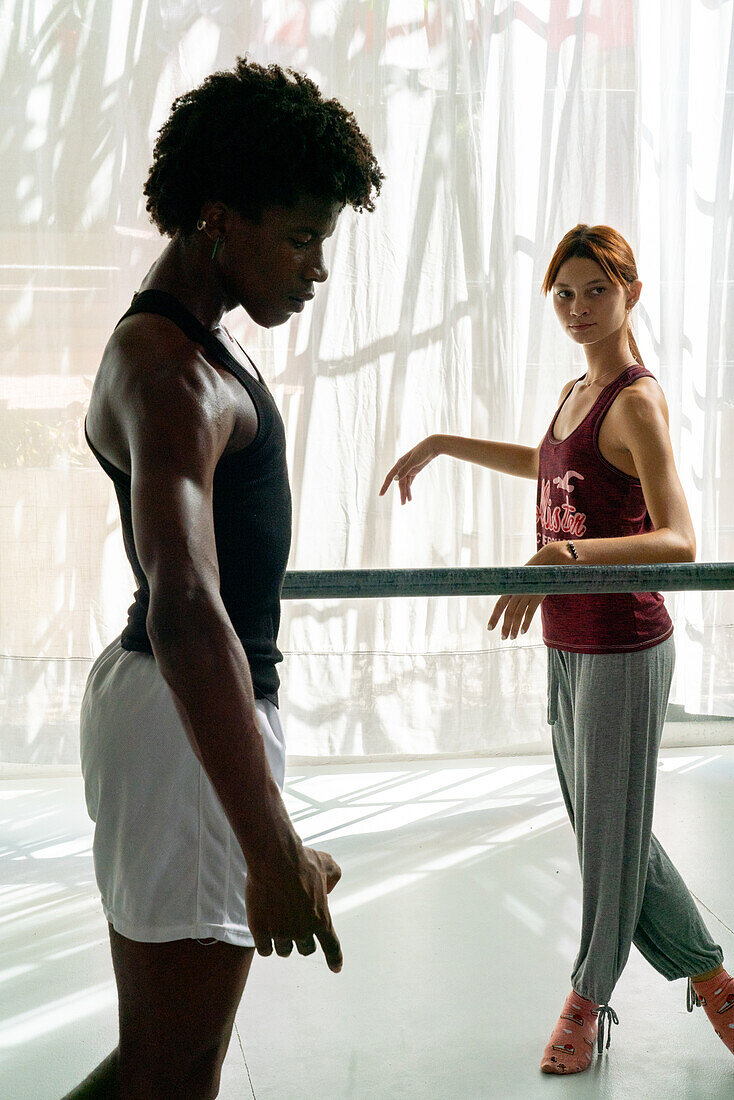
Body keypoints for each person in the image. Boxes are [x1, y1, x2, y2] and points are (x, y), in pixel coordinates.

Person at [66, 58, 383, 1099]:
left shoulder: (179, 343)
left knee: (165, 1060)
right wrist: (269, 844)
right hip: (183, 714)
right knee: (173, 1068)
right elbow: (190, 605)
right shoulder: (173, 377)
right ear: (216, 219)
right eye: (298, 236)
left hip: (176, 713)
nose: (315, 267)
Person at [380, 224, 733, 1075]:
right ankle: (718, 983)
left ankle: (587, 997)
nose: (578, 309)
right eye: (564, 294)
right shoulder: (578, 388)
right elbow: (550, 467)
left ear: (631, 295)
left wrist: (565, 555)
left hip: (623, 644)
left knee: (608, 839)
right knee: (610, 834)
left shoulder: (636, 401)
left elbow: (680, 538)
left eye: (596, 292)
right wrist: (444, 442)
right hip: (566, 638)